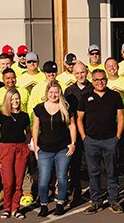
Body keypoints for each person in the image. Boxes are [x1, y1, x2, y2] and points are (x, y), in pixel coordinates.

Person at [78, 68, 124, 214]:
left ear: (106, 79)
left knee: (112, 172)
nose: (100, 82)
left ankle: (113, 200)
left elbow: (120, 117)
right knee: (93, 172)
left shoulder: (114, 96)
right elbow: (79, 118)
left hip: (110, 140)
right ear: (92, 81)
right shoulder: (85, 97)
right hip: (91, 141)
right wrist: (84, 137)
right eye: (97, 80)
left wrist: (117, 136)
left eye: (102, 79)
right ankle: (96, 201)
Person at [33, 82, 77, 217]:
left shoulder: (66, 108)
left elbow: (72, 126)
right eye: (51, 92)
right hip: (44, 149)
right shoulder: (39, 109)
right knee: (43, 179)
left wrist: (73, 143)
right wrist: (35, 146)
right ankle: (44, 205)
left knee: (62, 177)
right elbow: (35, 127)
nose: (53, 95)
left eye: (56, 92)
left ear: (60, 93)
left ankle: (60, 203)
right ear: (47, 93)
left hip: (62, 149)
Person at [0, 88, 30, 220]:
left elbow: (28, 132)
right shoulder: (0, 115)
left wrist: (29, 145)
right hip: (5, 149)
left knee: (18, 182)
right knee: (8, 182)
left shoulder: (24, 116)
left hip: (21, 148)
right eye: (12, 99)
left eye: (17, 98)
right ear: (7, 100)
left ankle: (15, 208)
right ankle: (6, 208)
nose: (15, 101)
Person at [64, 63, 92, 201]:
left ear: (86, 72)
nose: (80, 75)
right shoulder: (69, 91)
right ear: (73, 74)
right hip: (75, 131)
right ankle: (76, 192)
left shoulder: (94, 88)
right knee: (74, 164)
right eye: (77, 73)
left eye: (82, 72)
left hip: (91, 131)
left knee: (92, 163)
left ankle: (94, 190)